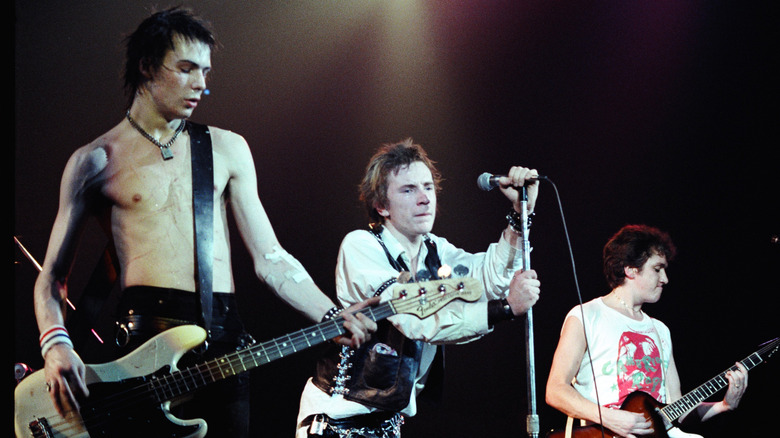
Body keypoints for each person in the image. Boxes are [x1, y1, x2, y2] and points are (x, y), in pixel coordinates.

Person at [33, 7, 376, 437]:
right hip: (143, 351)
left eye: (206, 71)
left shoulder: (228, 149)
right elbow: (52, 280)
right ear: (146, 66)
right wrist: (56, 344)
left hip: (225, 346)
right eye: (186, 68)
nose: (201, 84)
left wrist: (330, 312)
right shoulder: (94, 160)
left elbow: (271, 258)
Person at [295, 138, 543, 437]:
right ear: (381, 206)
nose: (425, 198)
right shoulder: (361, 246)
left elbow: (491, 278)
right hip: (337, 421)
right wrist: (504, 308)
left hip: (388, 425)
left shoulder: (437, 251)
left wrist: (519, 216)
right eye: (409, 190)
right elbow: (414, 320)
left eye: (427, 187)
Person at [545, 225, 748, 438]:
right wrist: (611, 418)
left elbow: (676, 409)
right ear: (630, 269)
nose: (665, 279)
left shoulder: (660, 330)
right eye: (657, 269)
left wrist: (724, 405)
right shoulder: (586, 316)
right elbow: (555, 390)